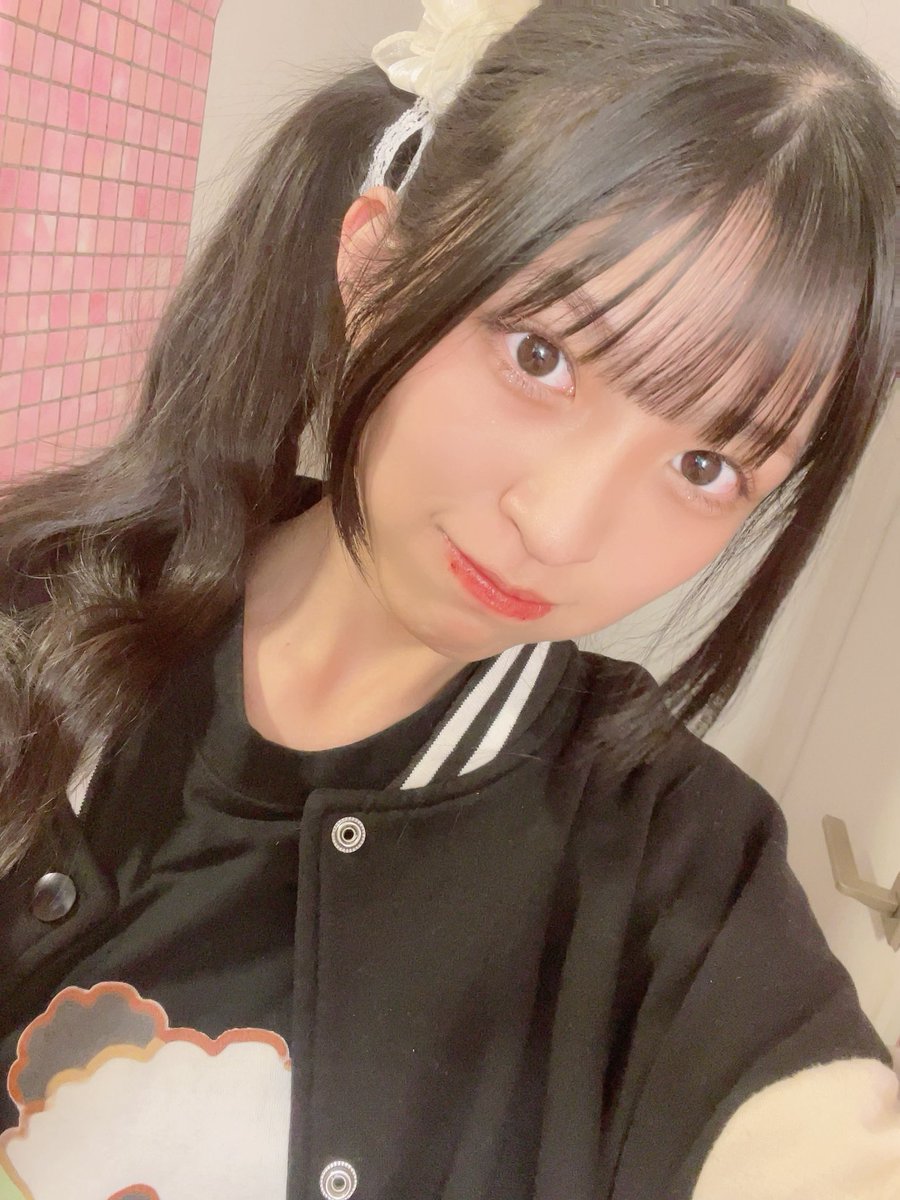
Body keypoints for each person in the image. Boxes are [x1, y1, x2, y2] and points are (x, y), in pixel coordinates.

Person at [0, 1, 897, 1197]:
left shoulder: (674, 865)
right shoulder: (42, 598)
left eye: (706, 465)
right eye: (542, 355)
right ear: (375, 264)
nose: (561, 528)